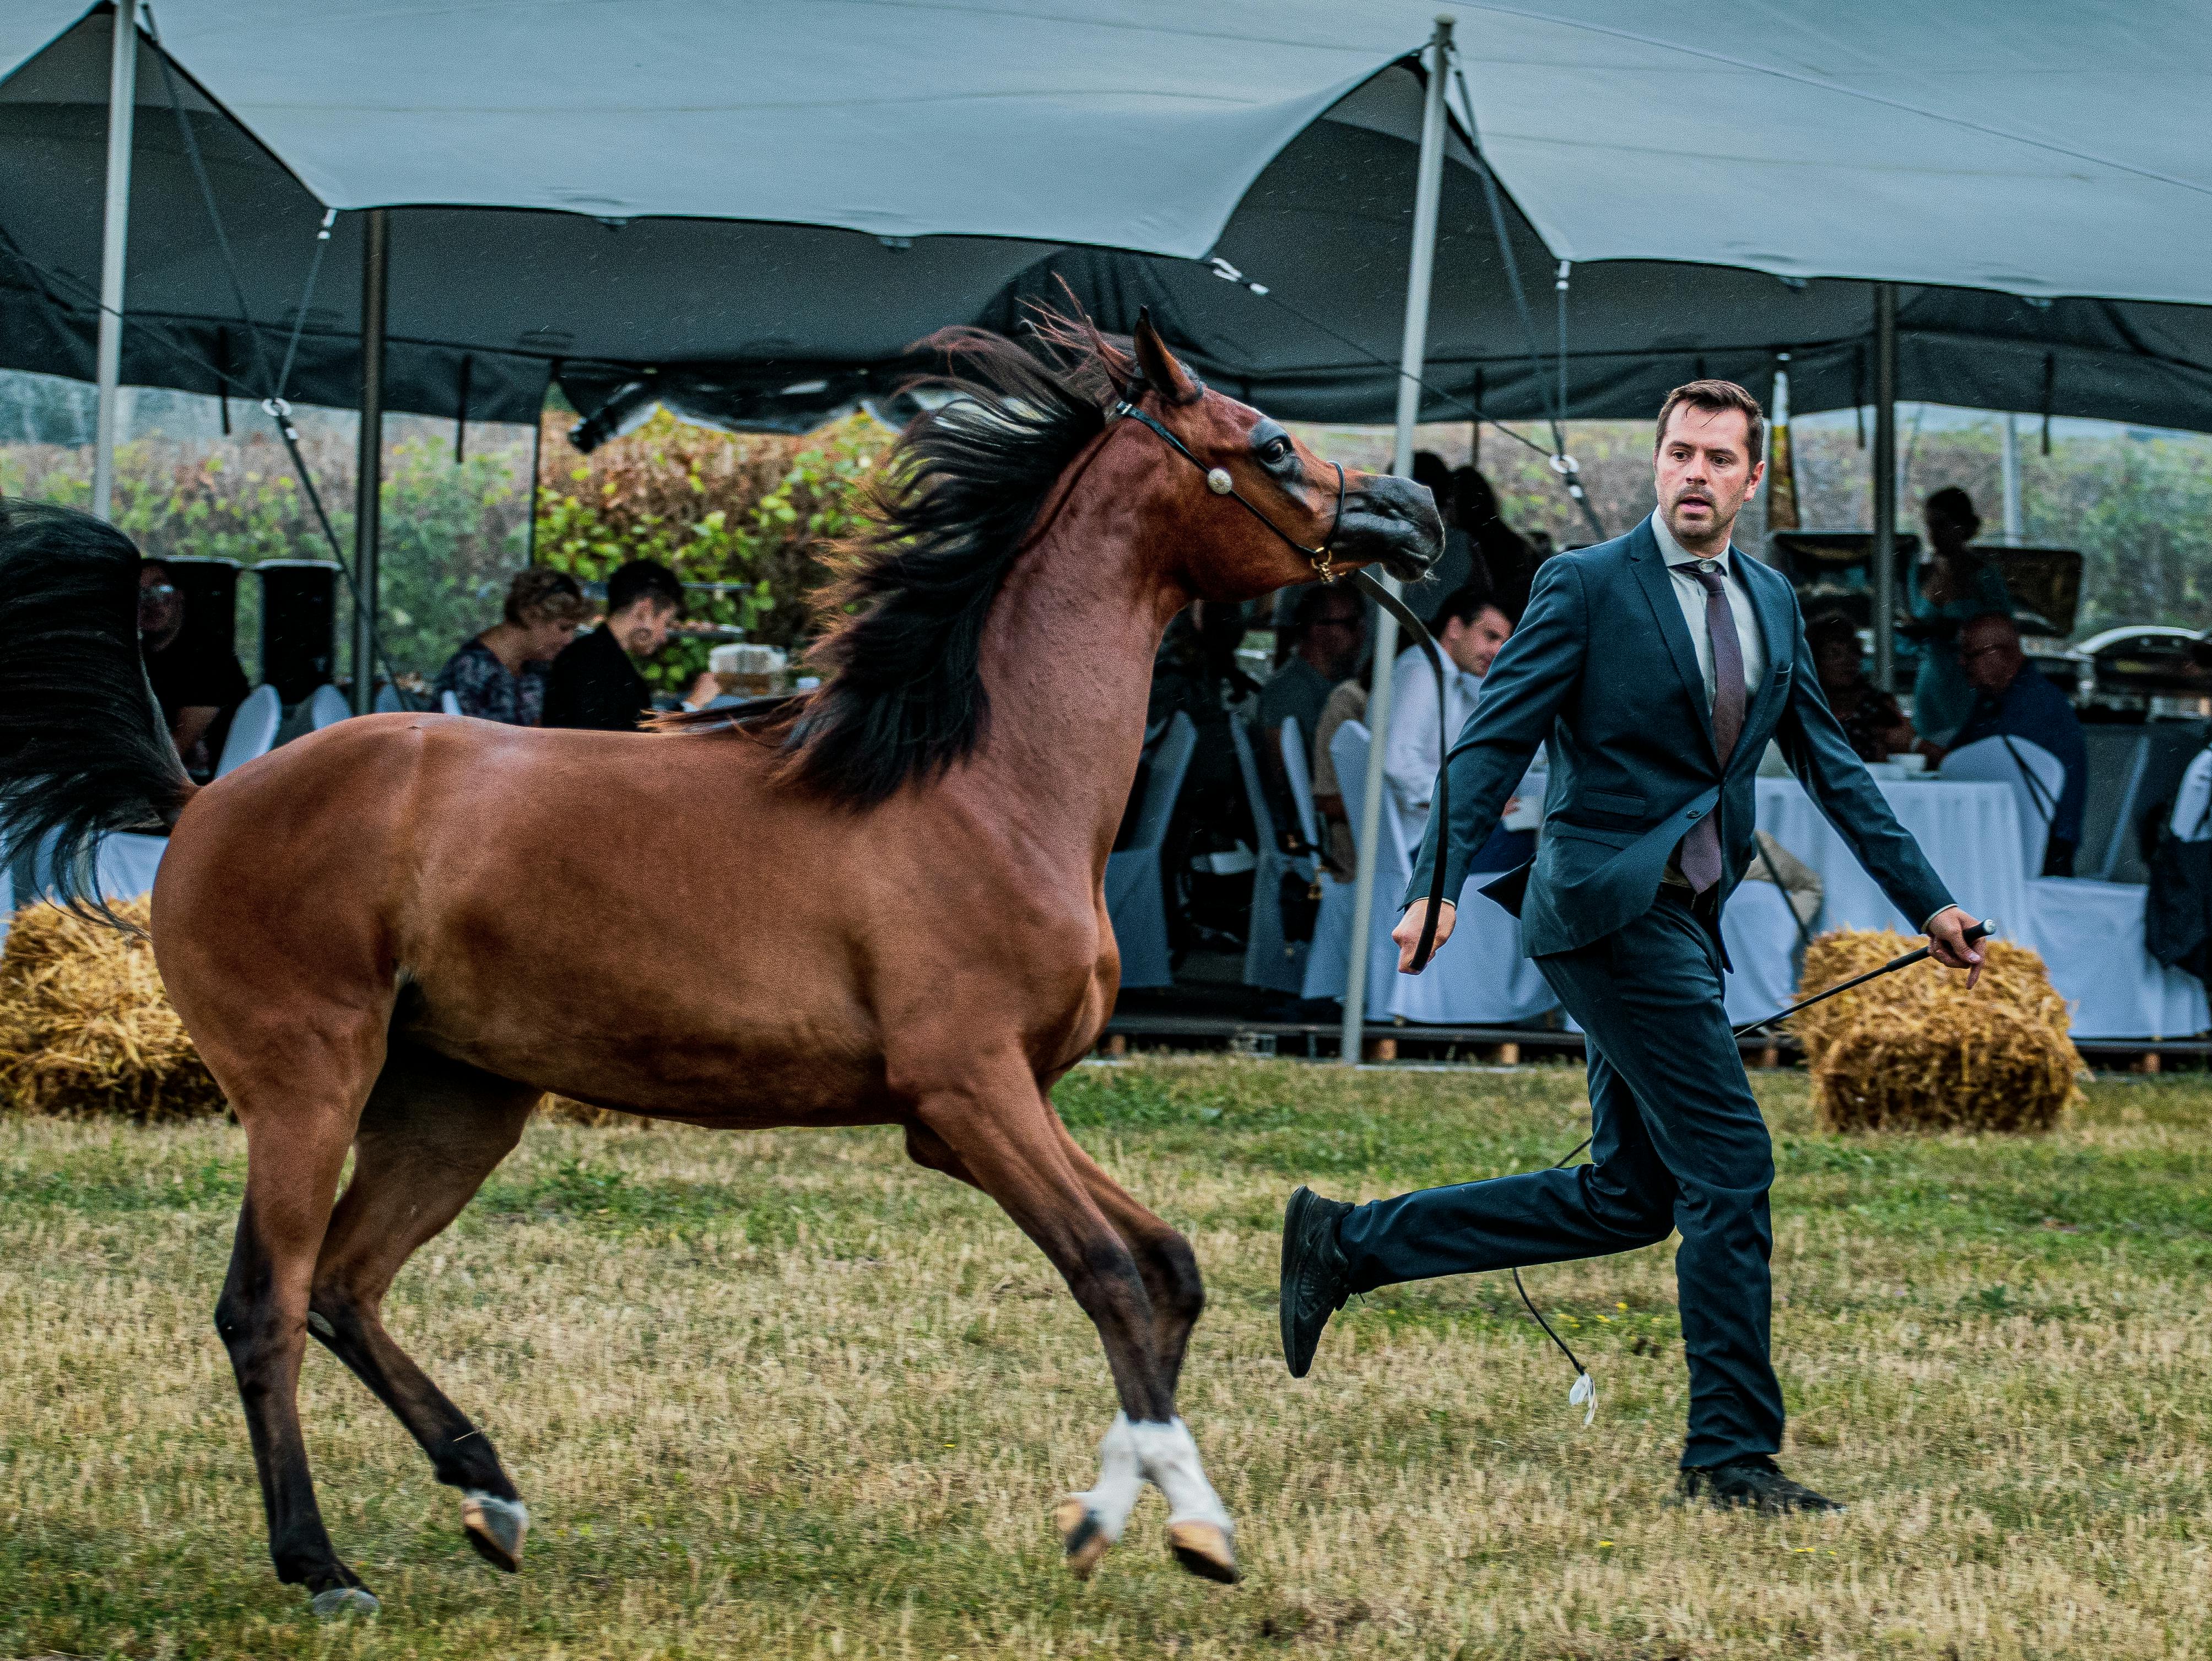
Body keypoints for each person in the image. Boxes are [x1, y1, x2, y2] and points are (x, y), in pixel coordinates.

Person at [1279, 379, 1985, 1516]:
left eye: (1718, 457)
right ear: (1656, 466)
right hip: (1607, 912)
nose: (1695, 473)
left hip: (1685, 917)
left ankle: (1346, 1243)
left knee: (1628, 1195)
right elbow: (1492, 741)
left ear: (1752, 479)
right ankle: (1728, 1457)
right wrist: (1437, 882)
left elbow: (1829, 765)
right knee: (1731, 1165)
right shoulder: (1585, 584)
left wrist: (1931, 902)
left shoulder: (1769, 601)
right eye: (1678, 453)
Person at [1381, 585, 1533, 872]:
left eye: (1505, 642)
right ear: (1454, 628)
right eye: (1491, 636)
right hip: (1415, 843)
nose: (1498, 651)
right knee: (1537, 847)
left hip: (1423, 834)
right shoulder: (1422, 673)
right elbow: (1397, 764)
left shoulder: (1450, 676)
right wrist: (1470, 804)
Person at [1933, 611, 2088, 876]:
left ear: (1999, 654)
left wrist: (1916, 745)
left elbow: (1976, 770)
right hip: (2002, 835)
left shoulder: (2034, 703)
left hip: (2040, 850)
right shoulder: (1993, 698)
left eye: (1970, 655)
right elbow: (1961, 753)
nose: (1961, 663)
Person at [541, 559, 717, 732]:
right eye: (665, 622)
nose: (664, 637)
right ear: (645, 609)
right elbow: (629, 746)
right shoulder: (594, 661)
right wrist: (693, 703)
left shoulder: (597, 655)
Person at [1903, 487, 2011, 745]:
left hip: (1970, 687)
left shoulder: (1985, 575)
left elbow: (2004, 632)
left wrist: (1954, 630)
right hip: (1930, 683)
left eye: (1941, 525)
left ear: (1962, 527)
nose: (1933, 535)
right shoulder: (1920, 573)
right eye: (1929, 526)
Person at [1255, 586, 1364, 828]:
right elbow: (1287, 783)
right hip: (1315, 828)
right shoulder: (1286, 692)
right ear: (1317, 630)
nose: (1361, 633)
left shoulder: (1346, 685)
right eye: (1350, 624)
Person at [432, 567, 588, 725]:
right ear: (530, 615)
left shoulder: (536, 669)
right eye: (563, 628)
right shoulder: (471, 669)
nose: (569, 639)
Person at [138, 559, 248, 777]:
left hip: (213, 790)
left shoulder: (209, 657)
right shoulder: (138, 657)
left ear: (180, 597)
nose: (152, 601)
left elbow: (174, 750)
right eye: (139, 593)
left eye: (161, 589)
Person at [1805, 612, 1916, 763]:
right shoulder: (1804, 704)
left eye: (1853, 651)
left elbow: (1905, 745)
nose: (1848, 661)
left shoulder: (1877, 705)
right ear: (1814, 659)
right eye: (1835, 653)